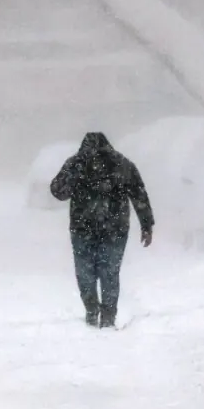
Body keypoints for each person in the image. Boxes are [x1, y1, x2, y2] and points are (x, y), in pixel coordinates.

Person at [50, 132, 154, 329]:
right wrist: (146, 225)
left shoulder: (76, 163)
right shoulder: (122, 164)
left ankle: (92, 310)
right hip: (115, 229)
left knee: (85, 273)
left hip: (83, 229)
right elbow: (139, 194)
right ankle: (107, 316)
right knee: (109, 273)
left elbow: (57, 191)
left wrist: (75, 175)